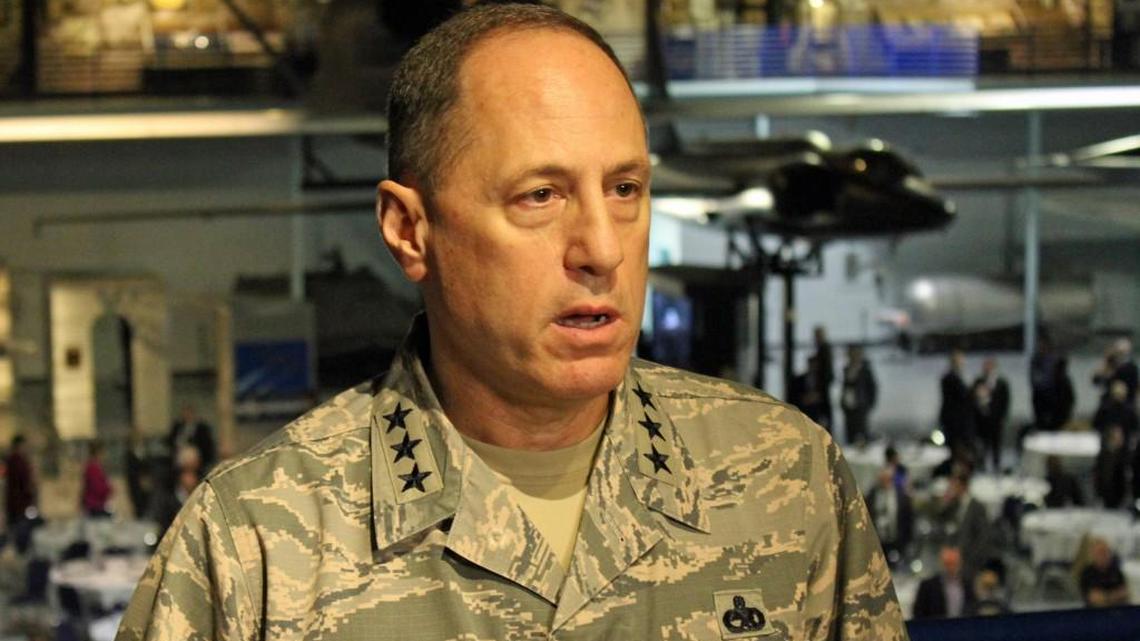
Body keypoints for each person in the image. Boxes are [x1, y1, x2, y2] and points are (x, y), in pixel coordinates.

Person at [115, 5, 906, 640]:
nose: (602, 247)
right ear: (408, 231)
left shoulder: (784, 479)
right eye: (540, 195)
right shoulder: (256, 547)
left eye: (625, 189)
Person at [935, 471, 991, 583]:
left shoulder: (977, 507)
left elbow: (983, 536)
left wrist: (973, 558)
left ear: (963, 486)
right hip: (952, 558)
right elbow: (941, 519)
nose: (953, 489)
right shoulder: (954, 504)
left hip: (969, 560)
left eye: (955, 486)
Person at [912, 545, 975, 619]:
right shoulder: (928, 586)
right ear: (941, 563)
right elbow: (918, 612)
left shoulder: (967, 585)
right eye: (948, 563)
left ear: (960, 563)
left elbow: (973, 608)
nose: (951, 568)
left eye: (954, 563)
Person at [865, 467, 912, 565]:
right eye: (882, 479)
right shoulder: (872, 495)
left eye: (887, 479)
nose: (885, 482)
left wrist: (907, 541)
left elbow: (908, 519)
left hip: (896, 541)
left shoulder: (901, 496)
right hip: (876, 542)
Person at [972, 358, 1010, 472]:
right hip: (982, 421)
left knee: (996, 445)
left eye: (990, 366)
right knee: (983, 446)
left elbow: (1006, 401)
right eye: (986, 366)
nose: (987, 369)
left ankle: (996, 466)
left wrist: (1003, 417)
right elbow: (972, 400)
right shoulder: (978, 381)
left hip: (996, 420)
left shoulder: (1002, 383)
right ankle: (981, 466)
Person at [3, 435, 37, 552]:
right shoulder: (19, 462)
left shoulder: (11, 461)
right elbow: (25, 484)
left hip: (14, 505)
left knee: (16, 531)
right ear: (19, 446)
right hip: (21, 505)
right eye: (25, 445)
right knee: (22, 535)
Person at [939, 349, 976, 455]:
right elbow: (962, 397)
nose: (962, 363)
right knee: (957, 451)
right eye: (960, 360)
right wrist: (974, 392)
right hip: (955, 423)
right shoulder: (949, 379)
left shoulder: (957, 378)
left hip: (959, 422)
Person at [841, 345, 877, 445]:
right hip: (848, 405)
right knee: (849, 431)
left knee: (862, 430)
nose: (852, 356)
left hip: (861, 404)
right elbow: (845, 387)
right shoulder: (847, 368)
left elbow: (872, 388)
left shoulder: (865, 370)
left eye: (855, 353)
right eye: (851, 354)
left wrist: (870, 404)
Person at [1079, 537, 1130, 607]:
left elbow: (1124, 593)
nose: (1103, 555)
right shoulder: (1087, 573)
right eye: (1100, 552)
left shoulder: (1116, 571)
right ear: (1093, 554)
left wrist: (1105, 597)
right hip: (1094, 613)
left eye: (1105, 552)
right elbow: (1093, 598)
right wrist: (1113, 596)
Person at [167, 404, 217, 474]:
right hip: (180, 452)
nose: (187, 415)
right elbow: (171, 441)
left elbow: (206, 444)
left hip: (196, 454)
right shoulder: (177, 426)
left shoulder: (202, 428)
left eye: (189, 413)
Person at [1093, 425, 1128, 509]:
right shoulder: (1104, 456)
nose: (1121, 439)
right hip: (1108, 495)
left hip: (1121, 496)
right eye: (1118, 437)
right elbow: (1100, 476)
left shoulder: (1125, 455)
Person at [81, 440, 113, 518]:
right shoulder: (93, 467)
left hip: (98, 504)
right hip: (94, 505)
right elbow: (97, 487)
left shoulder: (96, 466)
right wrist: (108, 489)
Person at [812, 325, 835, 431]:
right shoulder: (823, 349)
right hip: (823, 386)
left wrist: (820, 387)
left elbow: (826, 370)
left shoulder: (824, 349)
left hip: (823, 387)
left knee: (824, 412)